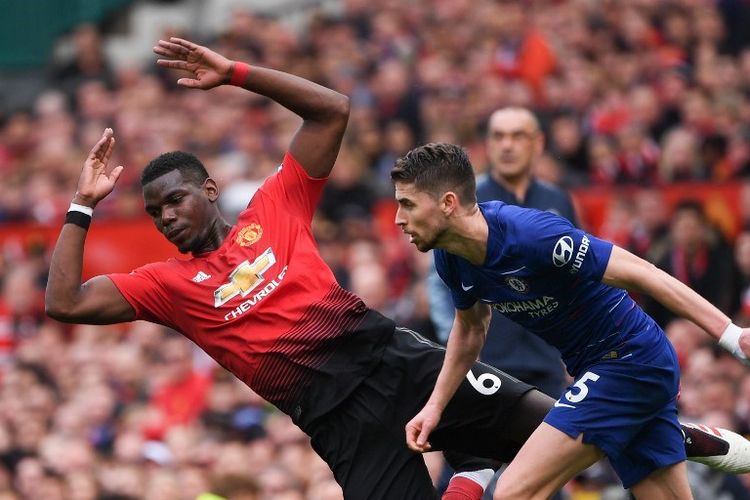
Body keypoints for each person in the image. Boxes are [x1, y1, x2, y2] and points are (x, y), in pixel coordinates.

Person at [45, 39, 750, 500]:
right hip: (340, 424)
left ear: (206, 191)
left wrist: (234, 74)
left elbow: (333, 111)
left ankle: (691, 438)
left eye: (174, 201)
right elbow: (66, 302)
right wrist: (81, 206)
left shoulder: (274, 207)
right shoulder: (165, 288)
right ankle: (473, 474)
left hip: (399, 363)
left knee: (551, 425)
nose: (165, 218)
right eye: (153, 211)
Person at [391, 142, 750, 499]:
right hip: (601, 372)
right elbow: (470, 331)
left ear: (448, 203)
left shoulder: (531, 234)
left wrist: (731, 335)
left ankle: (667, 427)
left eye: (408, 204)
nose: (398, 218)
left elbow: (645, 273)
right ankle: (669, 430)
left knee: (512, 492)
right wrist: (435, 407)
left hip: (628, 361)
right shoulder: (450, 258)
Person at [428, 107, 572, 497]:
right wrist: (457, 346)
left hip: (543, 363)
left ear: (537, 143)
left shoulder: (557, 200)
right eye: (498, 136)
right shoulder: (464, 202)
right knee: (469, 467)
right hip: (485, 362)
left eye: (517, 136)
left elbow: (573, 283)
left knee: (547, 473)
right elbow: (439, 282)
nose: (507, 146)